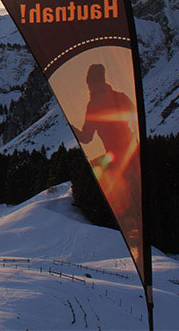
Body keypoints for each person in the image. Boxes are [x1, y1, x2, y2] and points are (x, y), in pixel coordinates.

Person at [72, 63, 142, 257]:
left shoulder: (93, 105)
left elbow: (86, 137)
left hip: (118, 159)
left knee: (125, 203)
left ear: (97, 82)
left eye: (90, 84)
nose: (89, 88)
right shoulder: (119, 96)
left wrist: (73, 128)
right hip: (132, 152)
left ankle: (135, 244)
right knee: (136, 201)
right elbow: (136, 117)